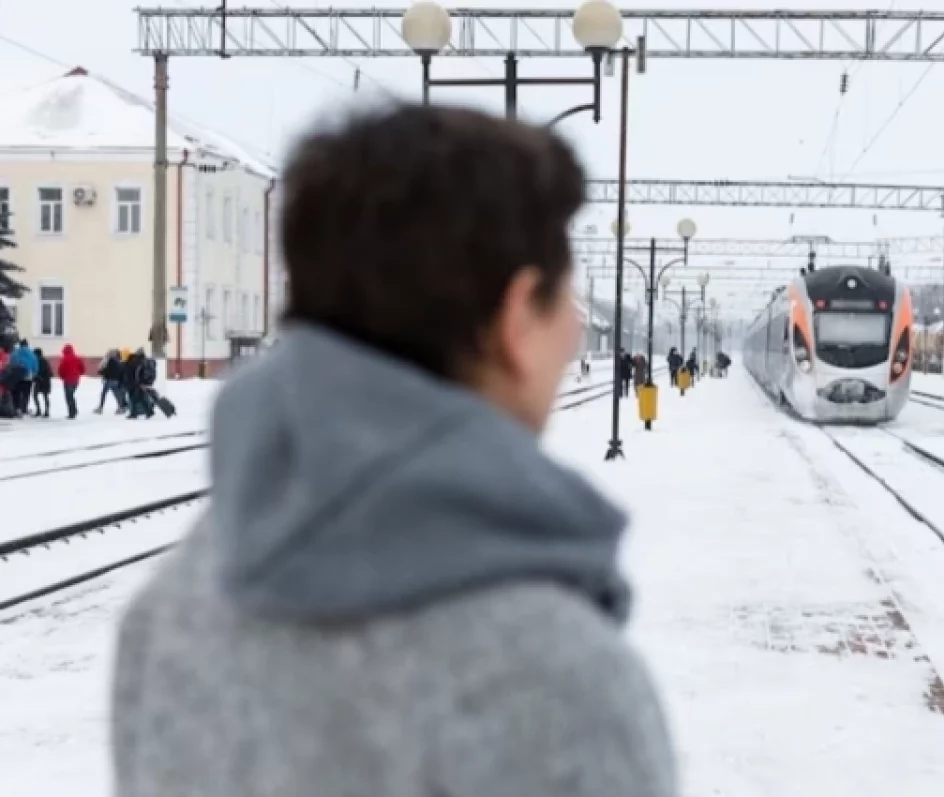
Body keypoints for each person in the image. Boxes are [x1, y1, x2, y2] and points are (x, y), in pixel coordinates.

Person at [111, 103, 675, 797]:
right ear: (517, 315)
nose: (574, 336)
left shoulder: (167, 615)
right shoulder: (559, 679)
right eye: (566, 302)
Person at [9, 340, 36, 416]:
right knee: (26, 393)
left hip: (17, 376)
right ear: (27, 345)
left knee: (17, 393)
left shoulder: (15, 353)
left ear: (20, 345)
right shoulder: (32, 354)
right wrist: (33, 374)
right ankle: (24, 408)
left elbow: (11, 363)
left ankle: (17, 408)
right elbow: (35, 366)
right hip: (28, 377)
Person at [58, 344, 84, 419]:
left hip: (68, 380)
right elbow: (82, 369)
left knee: (69, 397)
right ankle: (74, 410)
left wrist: (62, 376)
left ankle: (72, 413)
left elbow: (61, 369)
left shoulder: (64, 359)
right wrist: (78, 374)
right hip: (76, 380)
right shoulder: (78, 358)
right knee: (71, 395)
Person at [97, 349, 128, 414]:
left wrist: (101, 372)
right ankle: (121, 408)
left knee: (103, 394)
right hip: (116, 381)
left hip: (109, 380)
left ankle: (100, 408)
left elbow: (108, 371)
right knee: (117, 394)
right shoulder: (119, 362)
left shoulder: (111, 361)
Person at [31, 348, 52, 417]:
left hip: (40, 381)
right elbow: (50, 372)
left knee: (35, 395)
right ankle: (46, 411)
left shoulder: (39, 360)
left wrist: (34, 378)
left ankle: (39, 410)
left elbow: (39, 371)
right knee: (45, 396)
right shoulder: (44, 360)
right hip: (46, 381)